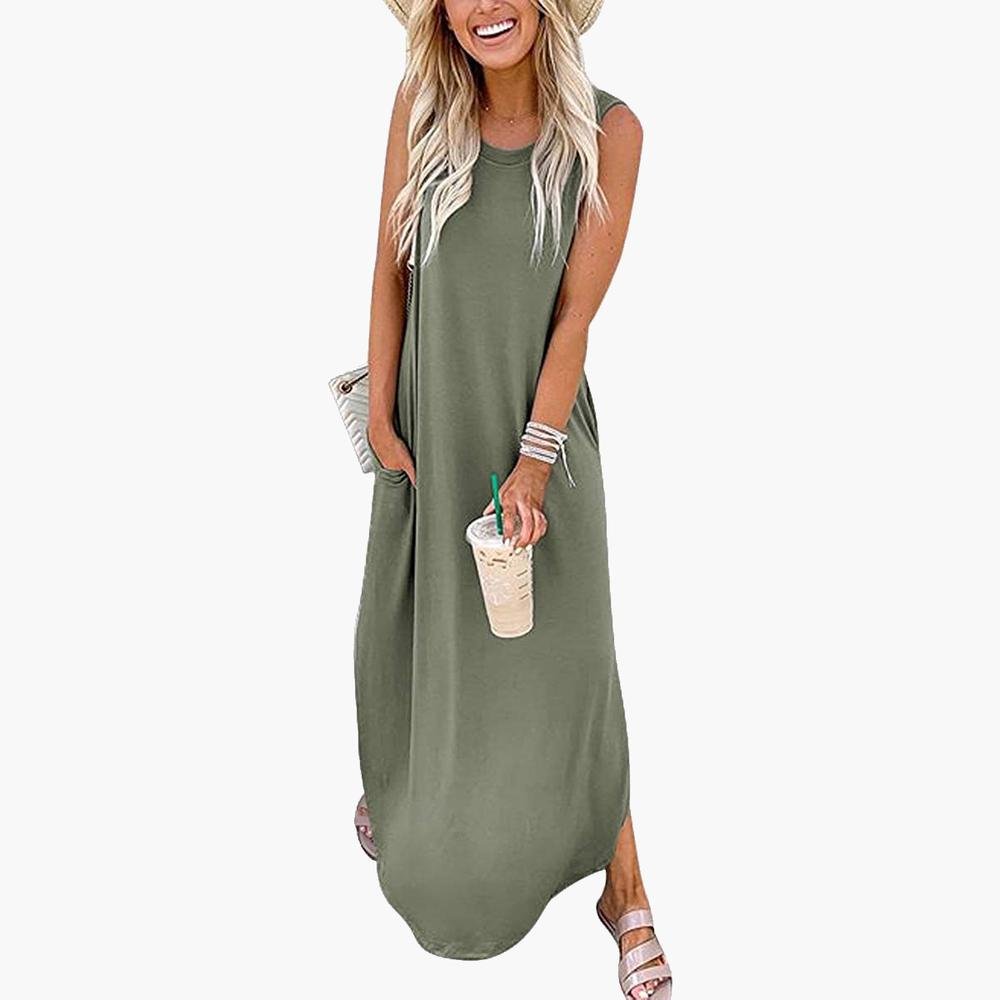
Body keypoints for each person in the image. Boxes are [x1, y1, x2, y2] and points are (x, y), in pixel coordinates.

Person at [352, 3, 670, 997]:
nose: (486, 5)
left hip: (542, 443)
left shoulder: (610, 132)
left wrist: (533, 463)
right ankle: (408, 798)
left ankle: (624, 888)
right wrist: (382, 412)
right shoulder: (420, 105)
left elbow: (575, 315)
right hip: (431, 438)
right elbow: (390, 267)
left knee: (571, 666)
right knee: (419, 641)